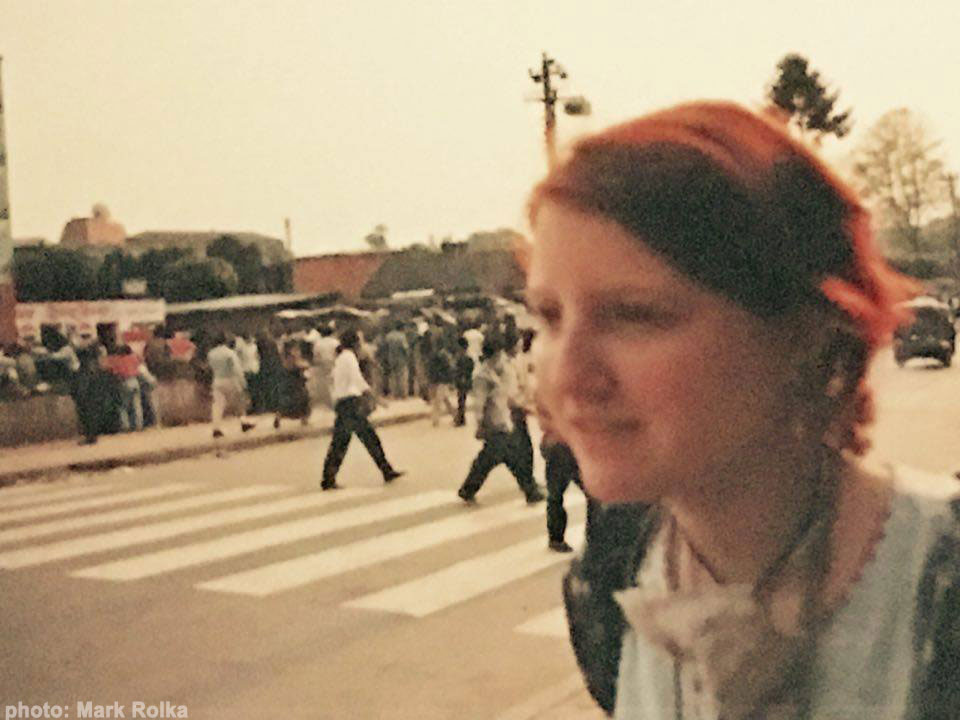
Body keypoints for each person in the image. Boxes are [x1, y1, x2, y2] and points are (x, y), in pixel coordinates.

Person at [524, 101, 959, 719]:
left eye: (635, 316)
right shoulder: (613, 576)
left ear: (805, 337)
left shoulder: (935, 584)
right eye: (548, 316)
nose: (568, 376)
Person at [457, 339, 545, 504]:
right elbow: (479, 404)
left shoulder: (501, 371)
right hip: (494, 423)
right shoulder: (482, 376)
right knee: (509, 458)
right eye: (500, 356)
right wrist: (479, 424)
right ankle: (530, 490)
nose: (503, 359)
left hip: (505, 421)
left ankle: (468, 489)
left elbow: (508, 396)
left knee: (488, 459)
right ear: (494, 355)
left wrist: (524, 408)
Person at [321, 329, 404, 490]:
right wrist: (376, 398)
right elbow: (357, 381)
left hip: (344, 404)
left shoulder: (341, 358)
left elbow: (335, 381)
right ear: (354, 343)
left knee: (348, 441)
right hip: (350, 404)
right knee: (361, 439)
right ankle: (328, 479)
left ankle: (385, 470)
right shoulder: (349, 357)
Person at [206, 332, 255, 443]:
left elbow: (210, 368)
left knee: (218, 405)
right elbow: (237, 369)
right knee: (239, 402)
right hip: (230, 379)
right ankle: (244, 422)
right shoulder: (229, 353)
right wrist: (242, 382)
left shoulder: (211, 354)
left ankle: (216, 428)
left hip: (217, 380)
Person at [452, 336, 474, 427]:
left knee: (461, 400)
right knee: (462, 400)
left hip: (461, 380)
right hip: (465, 380)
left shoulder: (461, 358)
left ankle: (460, 419)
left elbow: (458, 370)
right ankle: (461, 418)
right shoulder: (468, 358)